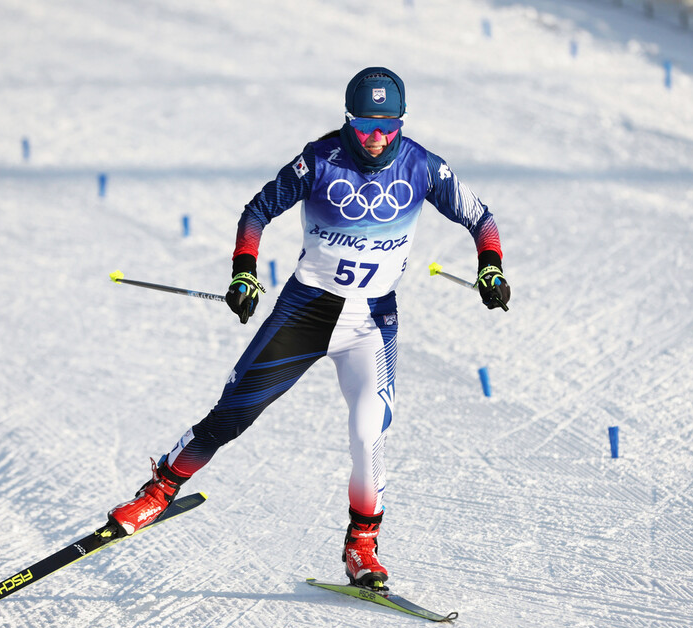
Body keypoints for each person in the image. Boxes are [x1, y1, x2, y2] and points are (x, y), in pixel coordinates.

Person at [108, 67, 510, 589]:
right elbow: (257, 213)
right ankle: (160, 491)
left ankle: (361, 547)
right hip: (306, 312)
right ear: (348, 119)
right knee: (235, 412)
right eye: (365, 124)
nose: (376, 137)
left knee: (370, 432)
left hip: (370, 320)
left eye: (388, 125)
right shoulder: (319, 160)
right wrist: (245, 273)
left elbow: (481, 218)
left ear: (402, 123)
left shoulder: (423, 166)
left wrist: (491, 264)